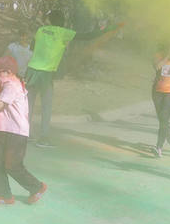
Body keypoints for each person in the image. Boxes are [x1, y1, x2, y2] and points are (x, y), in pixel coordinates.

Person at [25, 10, 120, 147]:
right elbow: (88, 36)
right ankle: (43, 138)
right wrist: (108, 28)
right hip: (46, 73)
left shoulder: (41, 30)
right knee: (46, 106)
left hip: (32, 70)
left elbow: (32, 47)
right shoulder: (63, 32)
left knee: (28, 105)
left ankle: (25, 134)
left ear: (50, 20)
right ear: (62, 20)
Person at [0, 56, 47, 205]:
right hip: (4, 129)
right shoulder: (9, 84)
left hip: (16, 131)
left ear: (8, 72)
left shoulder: (11, 86)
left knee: (13, 166)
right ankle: (5, 195)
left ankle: (37, 187)